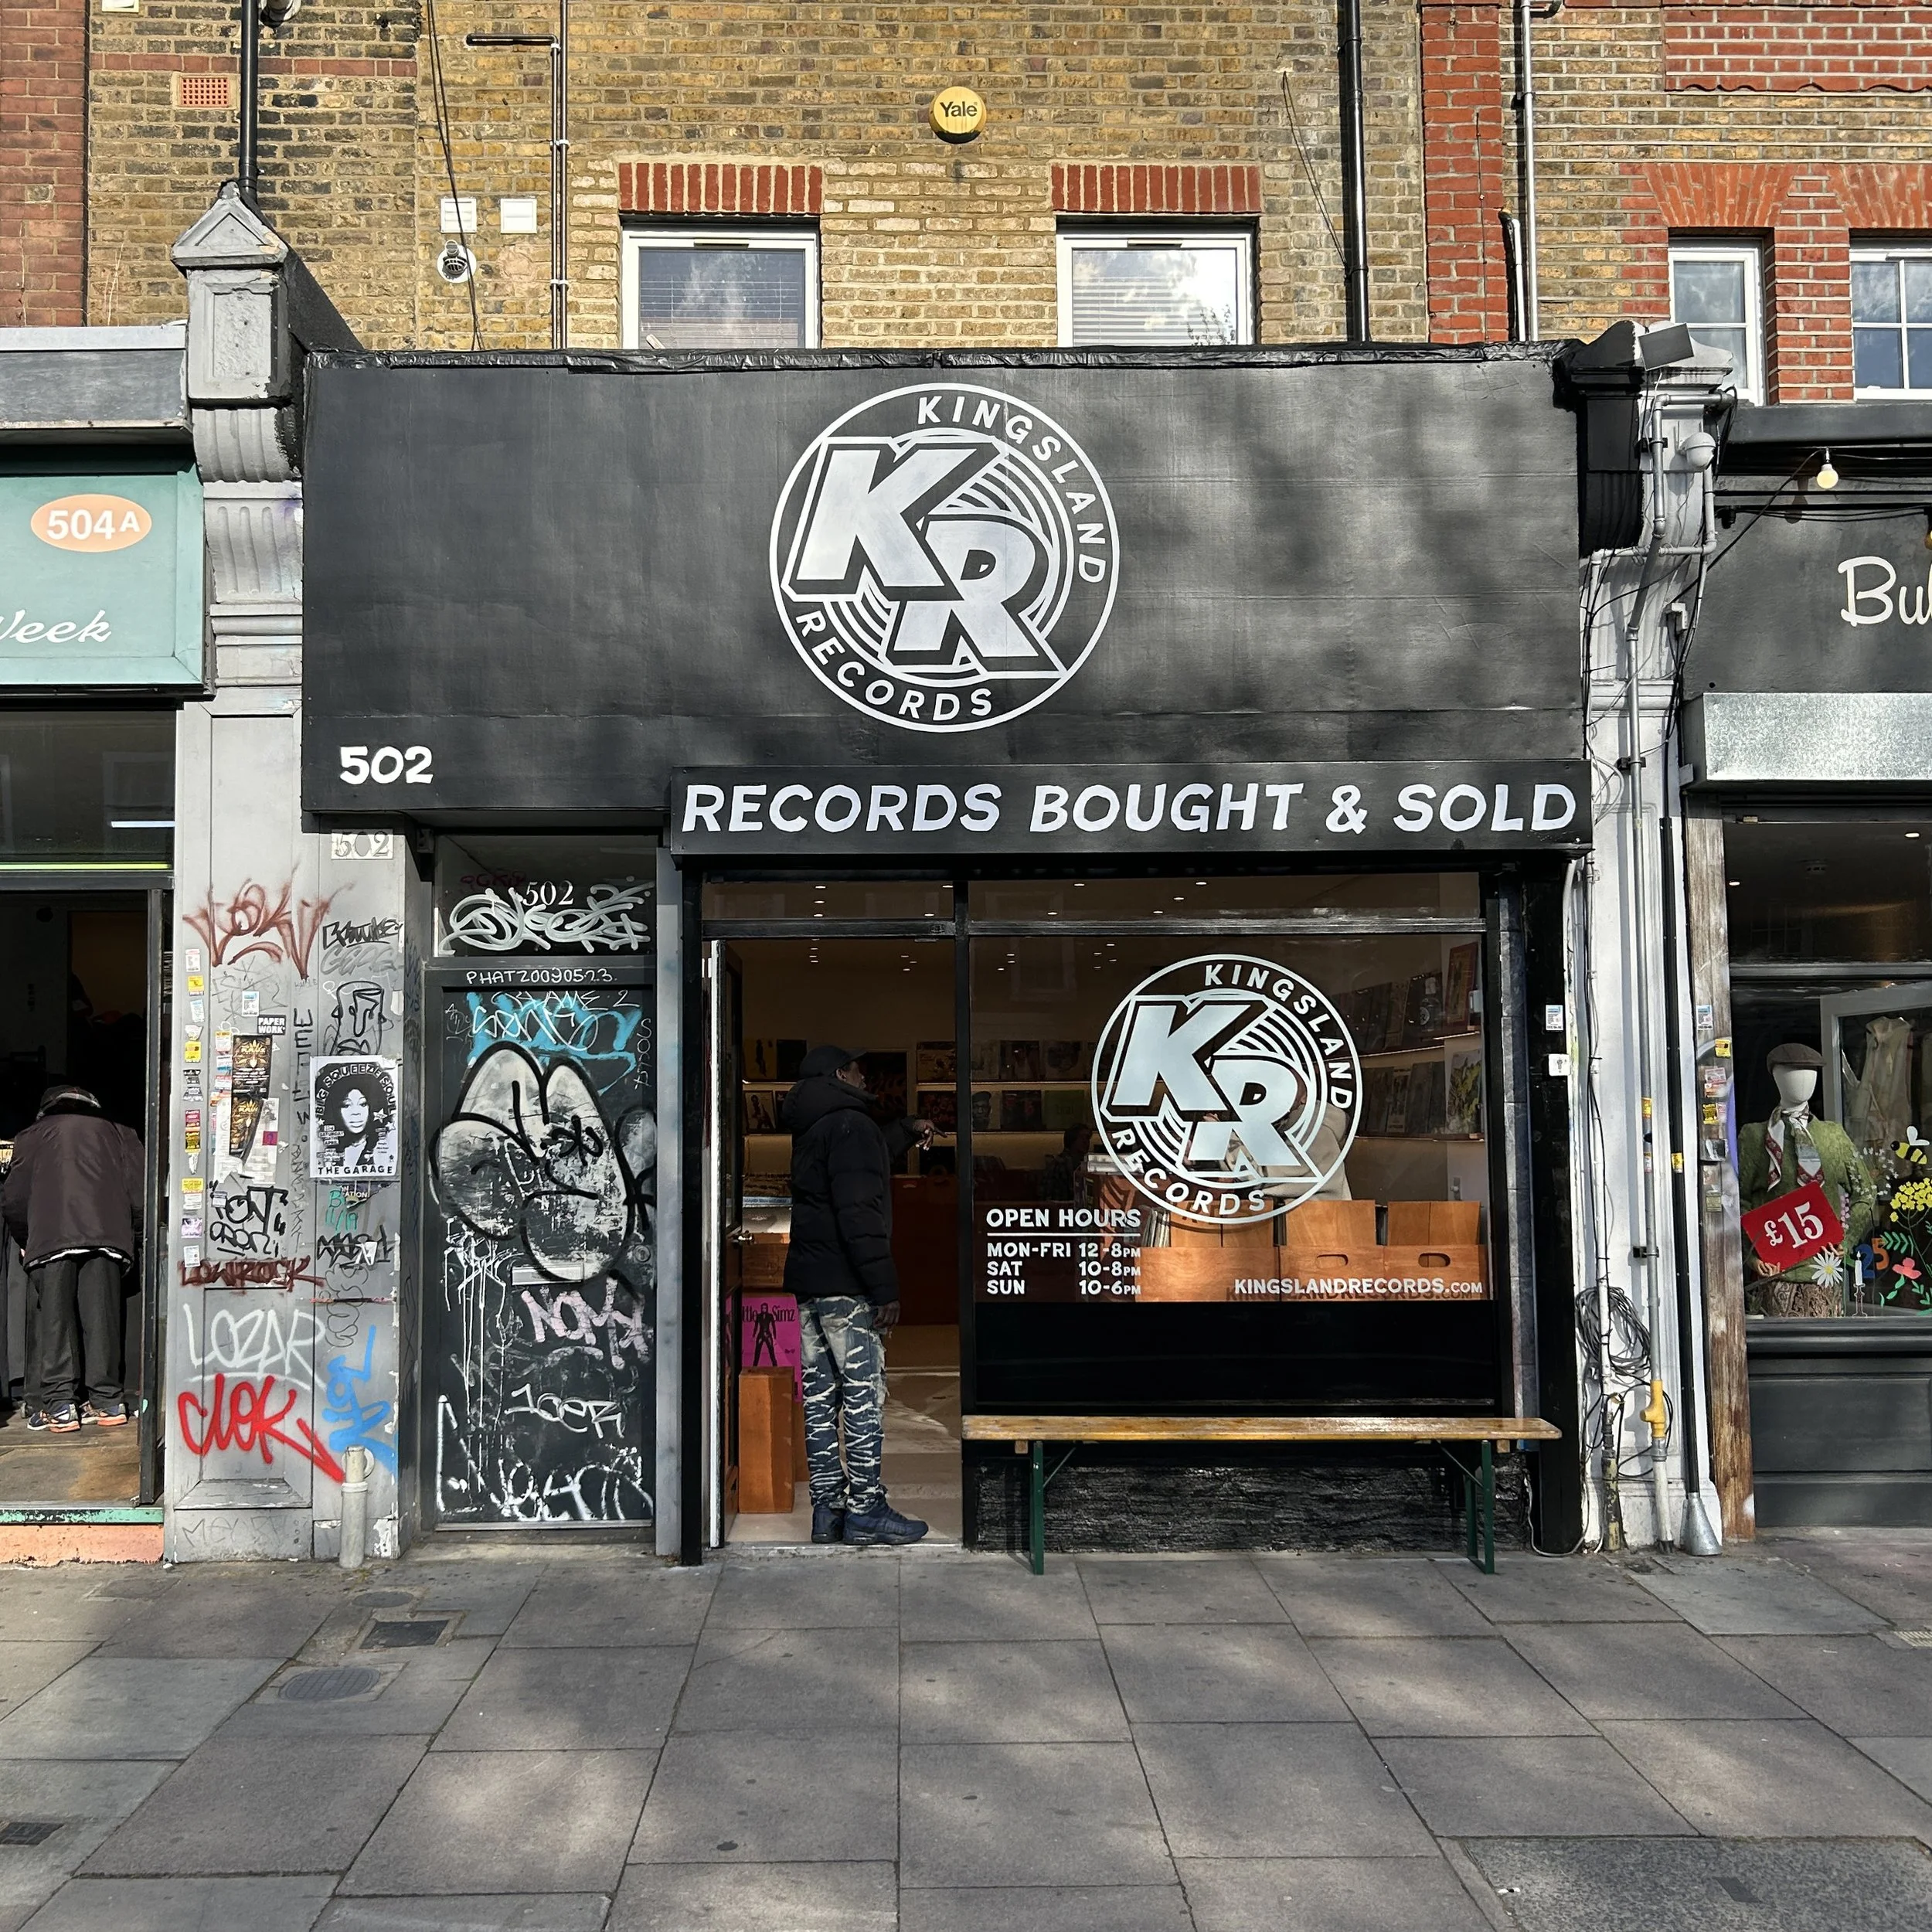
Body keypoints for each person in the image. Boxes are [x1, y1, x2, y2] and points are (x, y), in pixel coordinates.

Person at [780, 1044, 932, 1546]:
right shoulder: (851, 1125)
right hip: (849, 1289)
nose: (865, 1075)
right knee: (864, 1399)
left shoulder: (816, 1126)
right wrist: (884, 1285)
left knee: (821, 1403)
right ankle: (866, 1507)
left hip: (810, 1285)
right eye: (856, 1068)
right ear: (838, 1074)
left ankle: (828, 1510)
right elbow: (859, 1210)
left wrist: (903, 1131)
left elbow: (851, 1173)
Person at [0, 1085, 143, 1433]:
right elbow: (140, 1191)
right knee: (102, 1319)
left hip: (52, 1238)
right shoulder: (121, 1134)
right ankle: (108, 1402)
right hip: (107, 1238)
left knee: (55, 1321)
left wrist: (25, 1237)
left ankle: (60, 1406)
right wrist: (133, 1236)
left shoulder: (30, 1136)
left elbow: (14, 1196)